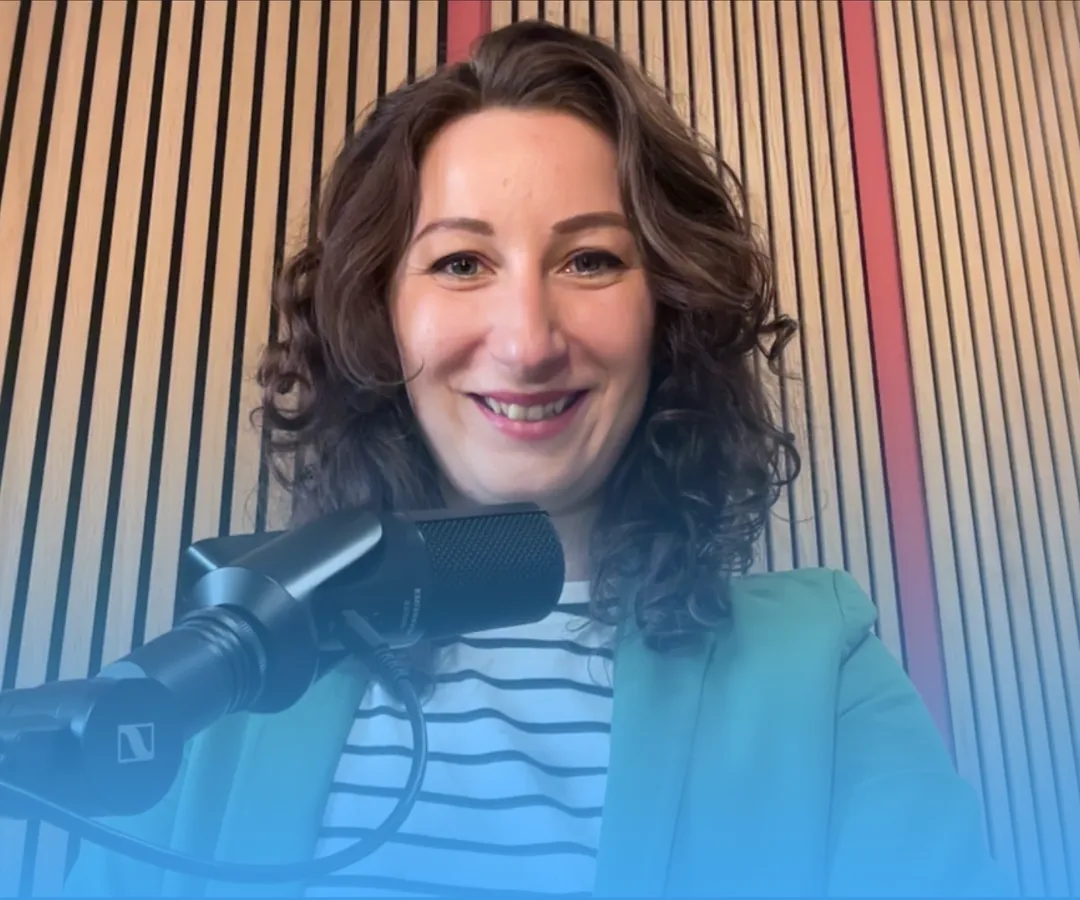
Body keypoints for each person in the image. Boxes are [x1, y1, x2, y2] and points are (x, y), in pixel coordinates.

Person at [65, 19, 1012, 899]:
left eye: (590, 260)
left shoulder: (820, 665)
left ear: (667, 310)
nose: (527, 343)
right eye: (460, 264)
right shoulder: (226, 667)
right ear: (380, 317)